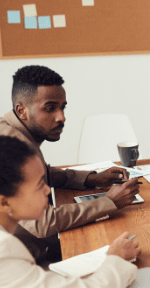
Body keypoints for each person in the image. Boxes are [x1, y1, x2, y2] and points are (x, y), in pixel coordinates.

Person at [0, 135, 141, 288]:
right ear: (4, 200)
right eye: (40, 186)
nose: (48, 191)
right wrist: (116, 258)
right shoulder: (4, 253)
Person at [0, 65, 140, 262]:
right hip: (29, 261)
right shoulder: (8, 145)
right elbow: (42, 223)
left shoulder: (16, 134)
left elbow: (39, 173)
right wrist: (109, 202)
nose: (61, 117)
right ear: (21, 110)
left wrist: (92, 178)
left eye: (62, 107)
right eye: (50, 108)